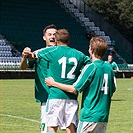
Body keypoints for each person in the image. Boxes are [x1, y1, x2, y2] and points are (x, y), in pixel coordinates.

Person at [45, 36, 116, 133]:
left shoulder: (91, 67)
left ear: (91, 50)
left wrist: (53, 83)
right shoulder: (109, 69)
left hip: (89, 116)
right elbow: (112, 90)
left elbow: (74, 89)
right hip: (103, 117)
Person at [26, 29, 91, 133]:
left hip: (55, 96)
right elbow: (90, 65)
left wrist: (28, 53)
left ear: (56, 39)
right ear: (69, 40)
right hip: (71, 97)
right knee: (71, 127)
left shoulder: (51, 51)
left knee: (51, 126)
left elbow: (33, 55)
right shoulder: (78, 54)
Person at [20, 24, 57, 133]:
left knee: (71, 129)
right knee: (46, 130)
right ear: (44, 37)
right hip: (46, 97)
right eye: (49, 34)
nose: (52, 36)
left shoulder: (64, 53)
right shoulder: (37, 54)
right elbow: (23, 67)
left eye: (55, 34)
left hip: (64, 97)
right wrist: (24, 56)